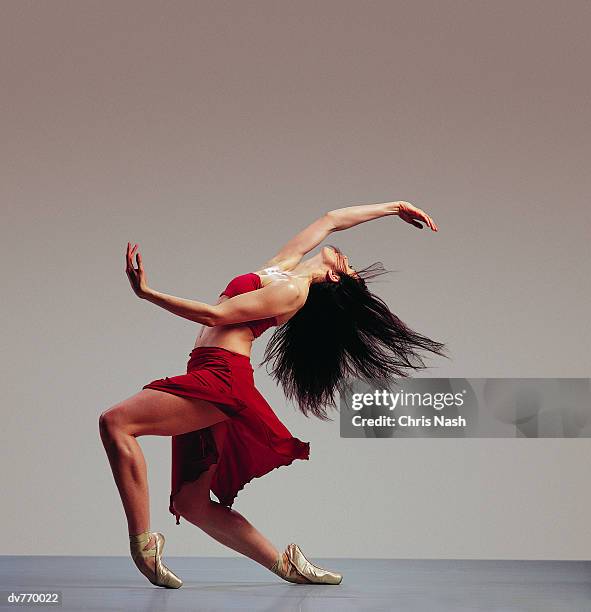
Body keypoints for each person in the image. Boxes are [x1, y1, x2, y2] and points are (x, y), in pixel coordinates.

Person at [99, 200, 446, 588]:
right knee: (191, 505)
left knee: (116, 423)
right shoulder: (282, 268)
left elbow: (216, 316)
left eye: (348, 269)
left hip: (222, 379)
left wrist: (147, 293)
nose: (347, 259)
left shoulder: (293, 291)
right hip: (207, 371)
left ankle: (142, 545)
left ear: (334, 280)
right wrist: (394, 206)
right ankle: (287, 565)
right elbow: (331, 220)